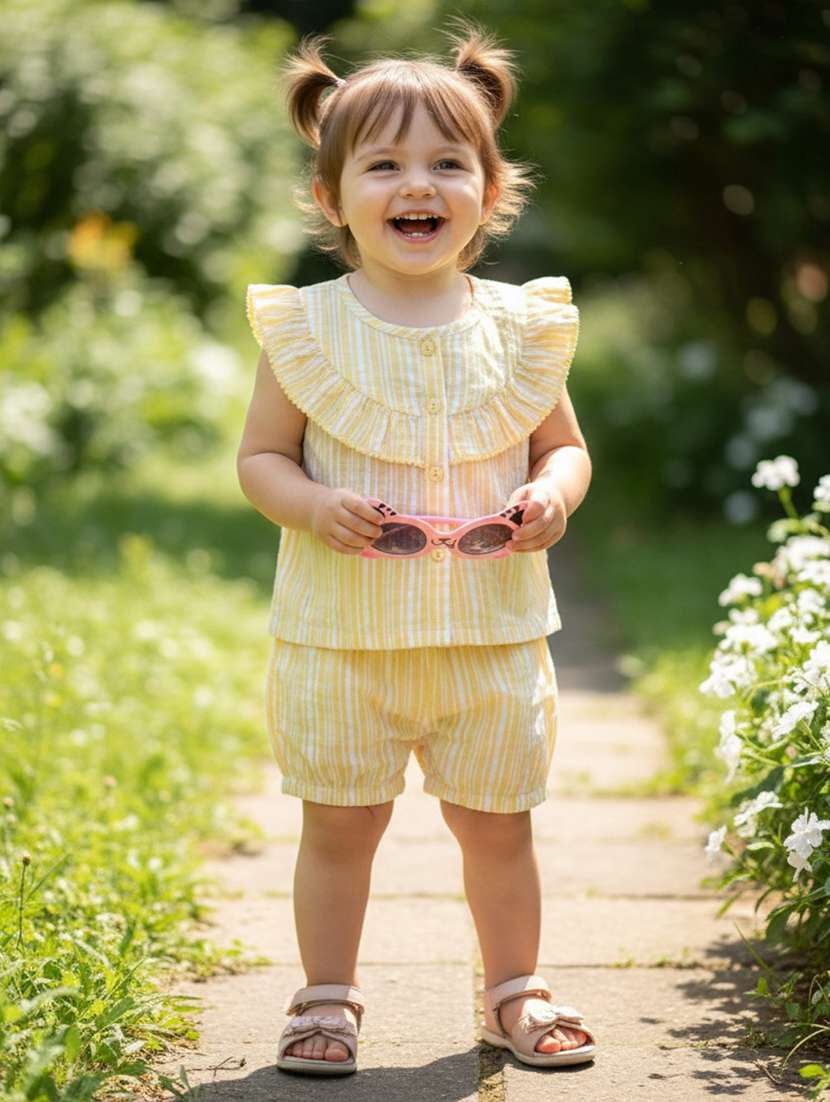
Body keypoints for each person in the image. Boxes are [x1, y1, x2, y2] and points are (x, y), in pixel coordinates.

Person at [236, 20, 597, 1077]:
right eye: (383, 164)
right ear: (330, 195)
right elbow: (260, 458)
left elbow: (563, 444)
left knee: (497, 829)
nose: (417, 184)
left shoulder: (520, 326)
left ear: (490, 191)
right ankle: (326, 997)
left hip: (489, 639)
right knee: (339, 826)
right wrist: (306, 505)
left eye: (447, 162)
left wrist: (550, 493)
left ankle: (511, 990)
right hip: (342, 639)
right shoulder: (307, 328)